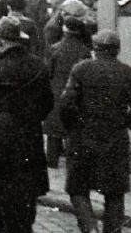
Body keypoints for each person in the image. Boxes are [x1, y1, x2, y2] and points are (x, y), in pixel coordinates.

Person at [0, 16, 54, 232]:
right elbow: (48, 104)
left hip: (0, 149)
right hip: (30, 145)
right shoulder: (39, 66)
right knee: (24, 212)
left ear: (1, 41)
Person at [59, 30, 131, 233]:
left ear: (95, 48)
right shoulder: (128, 72)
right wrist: (125, 123)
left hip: (83, 138)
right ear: (117, 50)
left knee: (77, 188)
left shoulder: (81, 69)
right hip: (115, 140)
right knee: (114, 193)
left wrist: (73, 126)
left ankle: (89, 228)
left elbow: (65, 104)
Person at [44, 16, 91, 168]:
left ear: (64, 30)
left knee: (54, 131)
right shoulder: (84, 52)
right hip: (76, 93)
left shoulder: (54, 48)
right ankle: (74, 162)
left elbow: (48, 72)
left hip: (57, 92)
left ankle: (52, 161)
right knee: (74, 129)